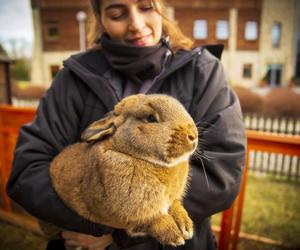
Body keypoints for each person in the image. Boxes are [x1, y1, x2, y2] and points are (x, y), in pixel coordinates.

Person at [6, 0, 246, 249]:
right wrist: (92, 224)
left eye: (145, 7)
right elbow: (28, 171)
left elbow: (223, 172)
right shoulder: (74, 78)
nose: (136, 25)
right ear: (100, 18)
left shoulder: (202, 71)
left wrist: (121, 230)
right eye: (118, 14)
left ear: (161, 7)